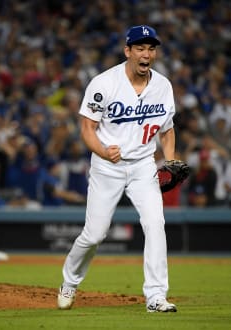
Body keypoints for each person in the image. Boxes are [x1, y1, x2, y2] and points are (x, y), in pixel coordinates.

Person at [58, 25, 178, 313]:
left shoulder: (163, 85)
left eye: (150, 48)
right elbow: (87, 127)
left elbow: (167, 129)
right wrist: (101, 150)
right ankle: (69, 282)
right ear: (128, 51)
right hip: (106, 166)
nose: (146, 54)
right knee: (95, 234)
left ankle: (156, 295)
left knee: (155, 224)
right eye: (140, 48)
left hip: (143, 166)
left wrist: (171, 160)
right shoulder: (104, 83)